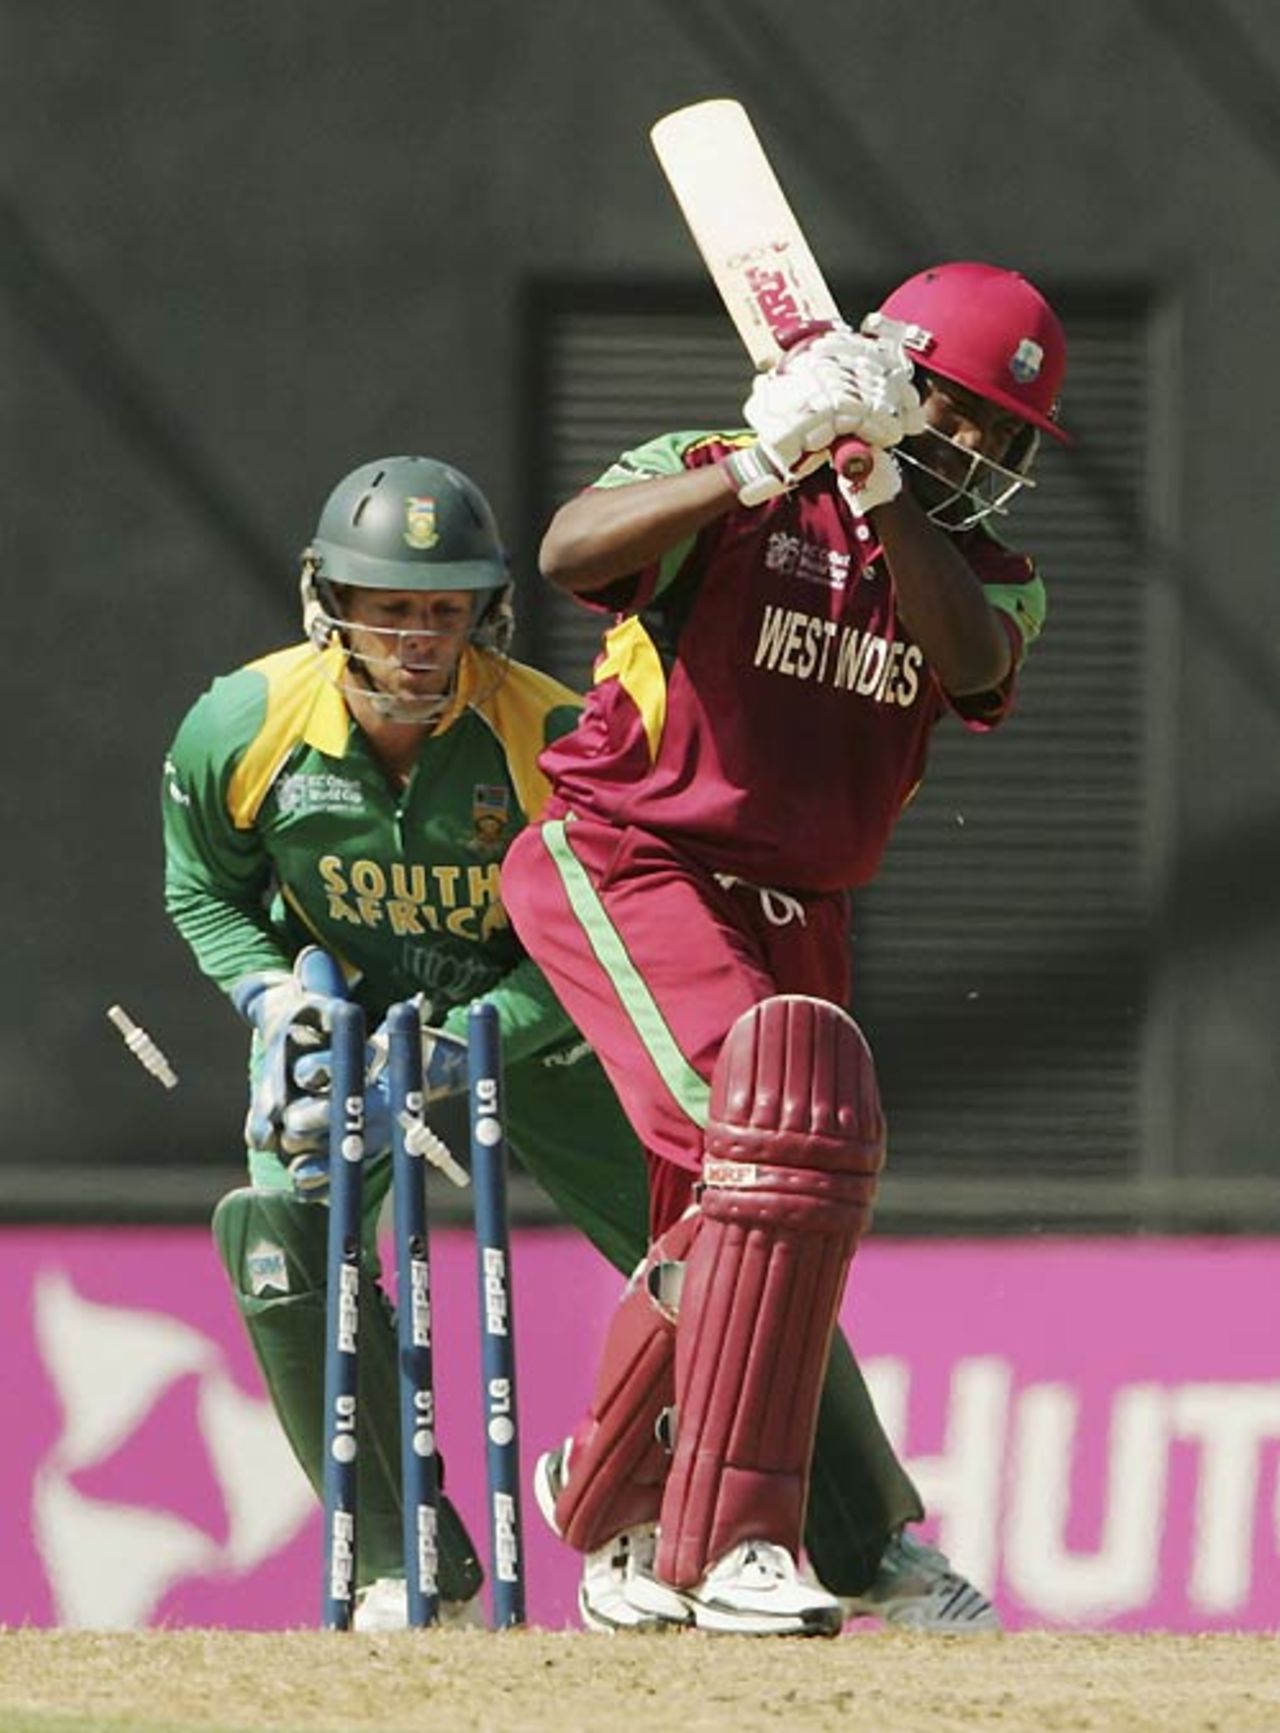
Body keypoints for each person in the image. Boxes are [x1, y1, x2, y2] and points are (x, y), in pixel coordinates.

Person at [163, 451, 995, 1635]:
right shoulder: (238, 725)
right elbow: (205, 887)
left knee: (733, 1235)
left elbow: (592, 912)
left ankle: (867, 1547)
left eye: (444, 610)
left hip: (535, 1027)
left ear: (485, 612)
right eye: (390, 608)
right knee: (282, 1220)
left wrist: (463, 1043)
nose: (416, 639)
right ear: (327, 601)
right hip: (344, 1027)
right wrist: (271, 1002)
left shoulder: (539, 730)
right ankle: (407, 1567)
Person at [501, 261, 1069, 1635]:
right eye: (971, 414)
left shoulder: (990, 575)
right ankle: (735, 1536)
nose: (986, 452)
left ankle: (620, 1505)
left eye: (1007, 438)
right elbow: (574, 552)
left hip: (801, 909)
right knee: (767, 1167)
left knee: (757, 1212)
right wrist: (765, 458)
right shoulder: (733, 474)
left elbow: (976, 662)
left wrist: (881, 485)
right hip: (637, 858)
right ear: (902, 379)